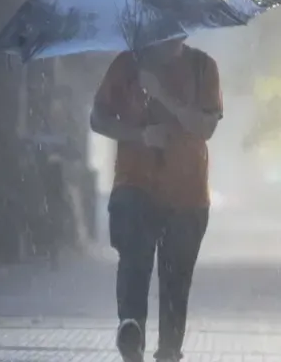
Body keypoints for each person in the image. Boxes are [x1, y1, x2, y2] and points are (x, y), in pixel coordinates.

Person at [90, 38, 222, 362]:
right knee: (134, 261)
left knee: (176, 281)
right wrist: (141, 135)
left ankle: (169, 351)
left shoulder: (203, 67)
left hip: (187, 194)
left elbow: (205, 127)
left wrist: (162, 93)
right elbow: (98, 119)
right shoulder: (127, 65)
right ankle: (131, 330)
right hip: (135, 185)